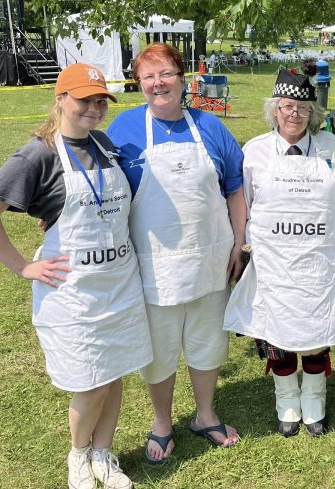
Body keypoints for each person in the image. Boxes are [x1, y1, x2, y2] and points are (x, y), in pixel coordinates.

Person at [0, 63, 152, 489]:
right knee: (90, 383)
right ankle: (79, 454)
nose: (94, 108)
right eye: (85, 99)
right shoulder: (38, 153)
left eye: (101, 100)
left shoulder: (103, 145)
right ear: (61, 99)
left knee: (114, 371)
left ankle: (104, 455)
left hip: (119, 283)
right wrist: (23, 266)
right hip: (74, 293)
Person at [107, 43, 246, 462]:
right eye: (148, 76)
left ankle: (205, 414)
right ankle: (162, 423)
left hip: (210, 259)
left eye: (166, 73)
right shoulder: (124, 129)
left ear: (183, 79)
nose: (158, 83)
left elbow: (235, 188)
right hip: (155, 266)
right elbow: (98, 186)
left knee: (208, 344)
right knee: (160, 350)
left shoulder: (211, 127)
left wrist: (240, 243)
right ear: (140, 83)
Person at [224, 70, 335, 437]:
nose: (294, 114)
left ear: (312, 112)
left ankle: (314, 401)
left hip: (319, 261)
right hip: (274, 263)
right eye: (287, 106)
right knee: (277, 332)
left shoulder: (330, 147)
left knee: (316, 329)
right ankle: (286, 401)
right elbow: (244, 204)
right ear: (275, 109)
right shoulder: (255, 152)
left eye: (302, 108)